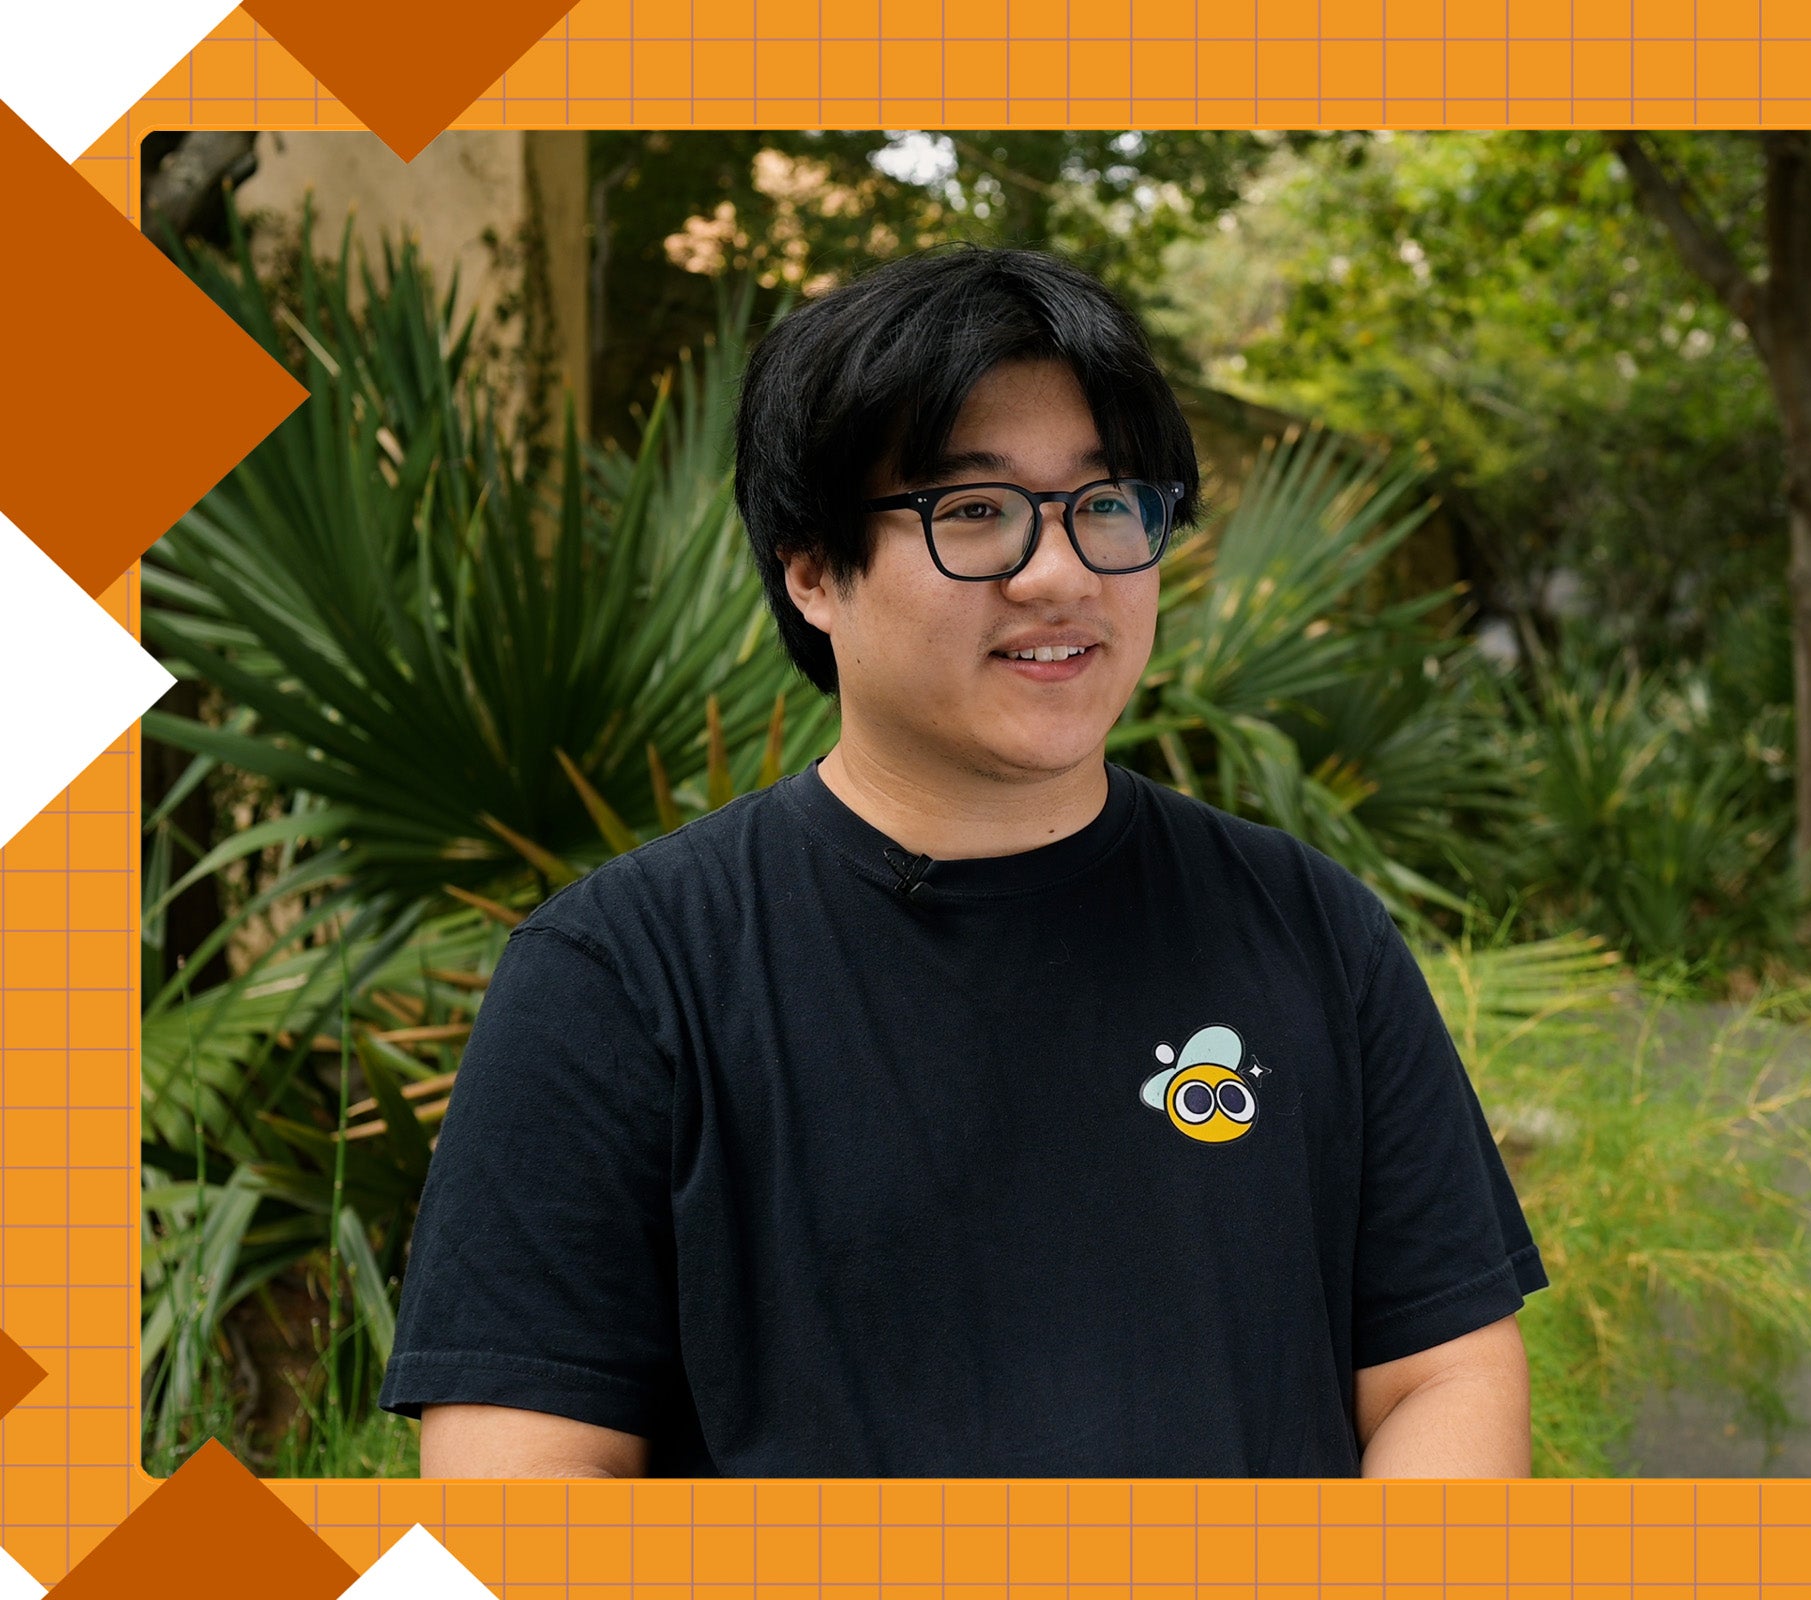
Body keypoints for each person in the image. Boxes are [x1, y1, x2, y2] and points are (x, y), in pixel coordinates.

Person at [379, 244, 1546, 1478]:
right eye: (974, 511)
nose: (1060, 574)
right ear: (814, 569)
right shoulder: (618, 978)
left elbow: (1442, 1371)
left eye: (1105, 505)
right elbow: (522, 1478)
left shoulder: (1313, 929)